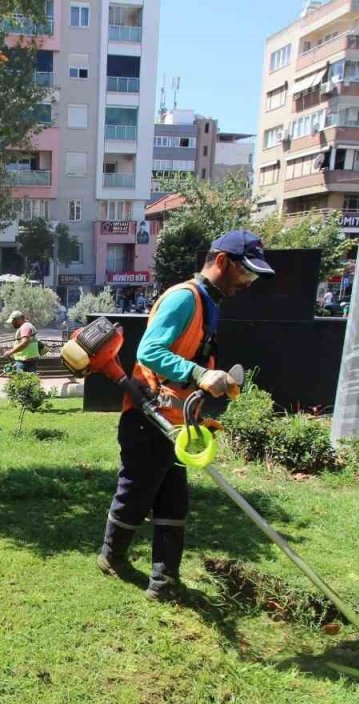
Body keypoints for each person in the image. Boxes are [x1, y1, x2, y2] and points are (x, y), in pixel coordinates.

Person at [98, 229, 275, 602]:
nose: (248, 283)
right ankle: (111, 558)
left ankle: (164, 583)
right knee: (136, 493)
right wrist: (199, 374)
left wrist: (215, 378)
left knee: (173, 500)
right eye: (246, 273)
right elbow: (149, 351)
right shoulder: (185, 299)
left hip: (176, 422)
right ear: (222, 262)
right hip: (147, 418)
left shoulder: (209, 303)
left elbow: (188, 357)